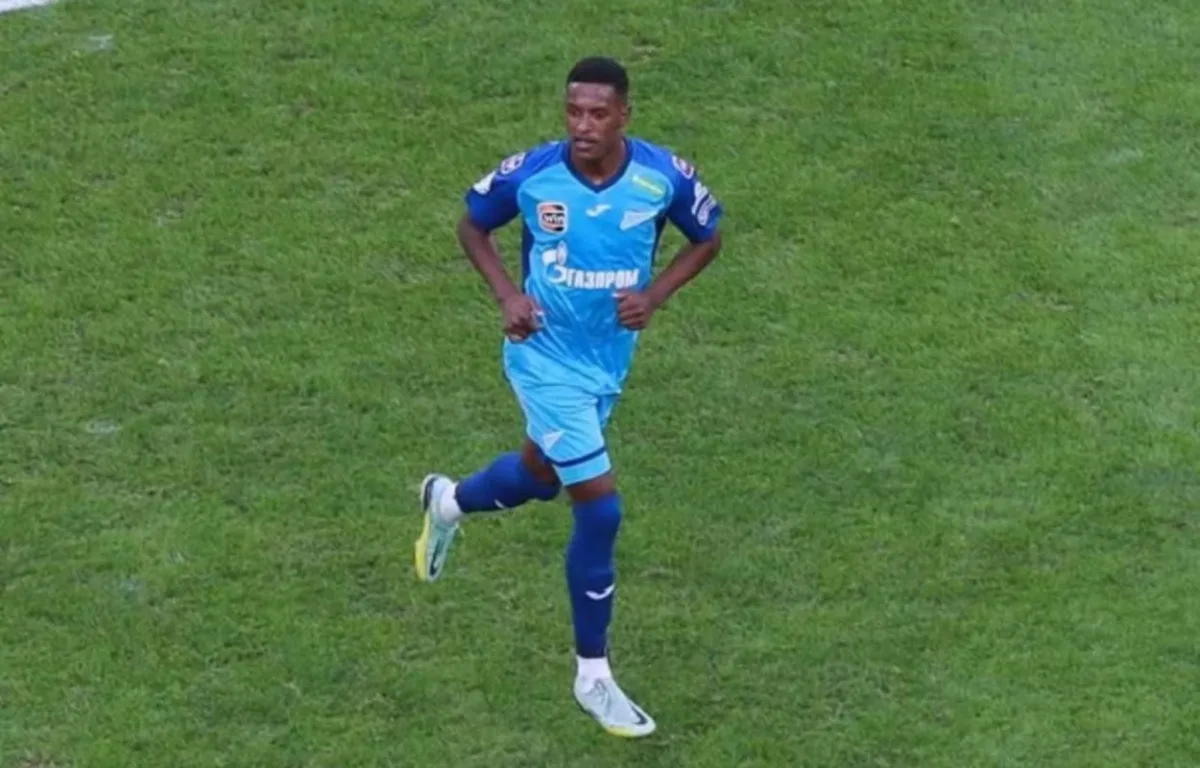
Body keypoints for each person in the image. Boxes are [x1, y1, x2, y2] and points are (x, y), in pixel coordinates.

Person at [413, 55, 723, 738]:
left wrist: (654, 296)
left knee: (538, 476)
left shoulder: (663, 177)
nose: (583, 126)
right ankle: (593, 676)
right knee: (600, 508)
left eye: (597, 114)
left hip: (604, 362)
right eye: (573, 112)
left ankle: (447, 502)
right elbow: (472, 225)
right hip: (542, 358)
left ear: (624, 116)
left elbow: (707, 238)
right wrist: (507, 295)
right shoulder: (533, 174)